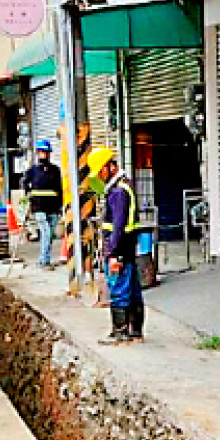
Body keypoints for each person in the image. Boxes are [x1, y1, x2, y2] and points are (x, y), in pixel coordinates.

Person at [87, 147, 145, 344]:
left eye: (100, 172)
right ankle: (135, 331)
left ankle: (120, 332)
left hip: (119, 249)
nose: (100, 177)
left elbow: (118, 226)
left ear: (108, 167)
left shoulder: (118, 192)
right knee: (133, 290)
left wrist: (112, 254)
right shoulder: (124, 185)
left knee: (119, 290)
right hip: (127, 248)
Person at [22, 139, 63, 269]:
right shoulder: (32, 171)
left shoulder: (55, 170)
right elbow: (24, 184)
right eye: (41, 152)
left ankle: (44, 258)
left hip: (53, 207)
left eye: (46, 152)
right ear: (38, 153)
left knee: (49, 234)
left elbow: (59, 189)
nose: (44, 155)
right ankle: (44, 260)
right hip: (39, 207)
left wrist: (60, 206)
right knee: (45, 232)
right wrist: (28, 196)